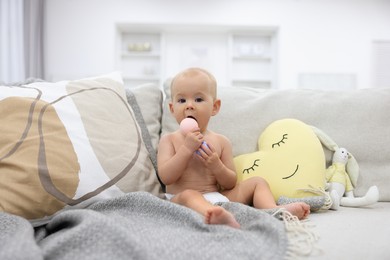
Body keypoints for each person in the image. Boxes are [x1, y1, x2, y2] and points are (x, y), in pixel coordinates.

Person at [157, 67, 310, 229]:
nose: (189, 106)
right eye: (182, 100)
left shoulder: (221, 141)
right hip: (181, 199)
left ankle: (272, 210)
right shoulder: (169, 140)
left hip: (216, 196)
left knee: (258, 182)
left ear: (215, 107)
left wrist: (216, 166)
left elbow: (230, 182)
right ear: (172, 109)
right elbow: (166, 177)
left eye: (198, 99)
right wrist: (186, 150)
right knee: (190, 194)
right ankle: (213, 214)